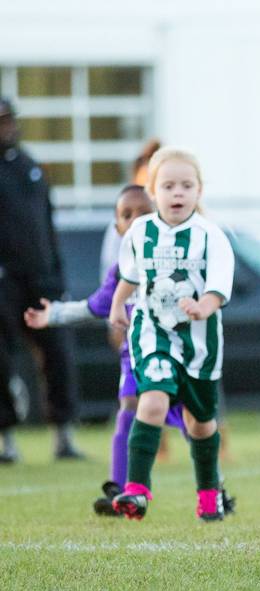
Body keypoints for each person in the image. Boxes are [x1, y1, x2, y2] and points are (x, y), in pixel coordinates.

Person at [23, 185, 234, 517]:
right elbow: (97, 304)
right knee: (130, 407)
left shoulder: (180, 254)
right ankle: (123, 489)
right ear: (118, 227)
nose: (136, 219)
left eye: (143, 212)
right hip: (141, 354)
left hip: (186, 353)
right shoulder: (123, 271)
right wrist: (55, 314)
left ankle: (214, 489)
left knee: (196, 424)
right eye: (126, 215)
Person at [108, 147, 235, 522]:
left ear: (199, 192)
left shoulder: (211, 236)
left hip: (199, 341)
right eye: (168, 186)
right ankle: (137, 490)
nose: (177, 193)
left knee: (200, 422)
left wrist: (204, 306)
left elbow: (219, 287)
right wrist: (118, 305)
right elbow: (130, 276)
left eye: (186, 185)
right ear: (152, 191)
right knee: (152, 401)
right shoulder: (140, 232)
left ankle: (209, 491)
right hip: (153, 333)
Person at [0, 96, 84, 462]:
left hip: (42, 279)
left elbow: (47, 228)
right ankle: (7, 441)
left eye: (8, 120)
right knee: (2, 359)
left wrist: (56, 273)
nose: (6, 127)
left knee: (59, 354)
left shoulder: (31, 167)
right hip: (4, 281)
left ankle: (64, 437)